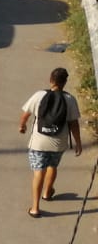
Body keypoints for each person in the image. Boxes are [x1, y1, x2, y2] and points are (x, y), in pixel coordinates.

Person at [18, 67, 83, 218]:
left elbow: (25, 114)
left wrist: (22, 126)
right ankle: (47, 193)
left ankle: (35, 208)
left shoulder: (39, 95)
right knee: (52, 166)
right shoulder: (70, 99)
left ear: (50, 80)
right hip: (58, 143)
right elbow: (74, 124)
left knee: (38, 172)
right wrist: (78, 143)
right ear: (65, 82)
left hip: (39, 142)